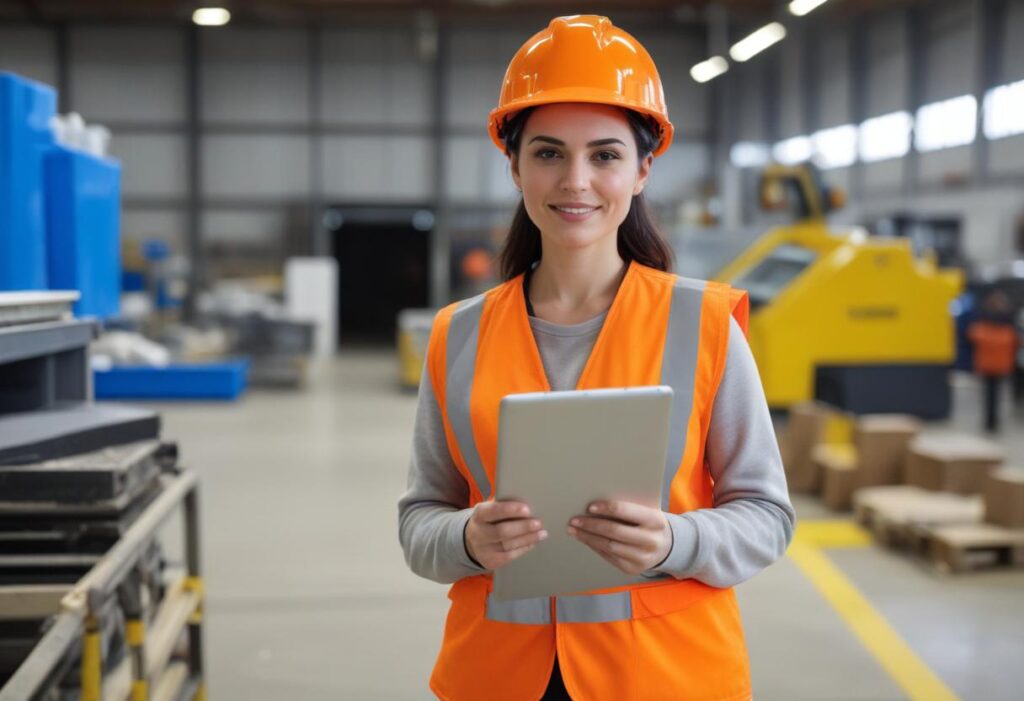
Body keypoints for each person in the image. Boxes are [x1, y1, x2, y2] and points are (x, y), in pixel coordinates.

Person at [398, 16, 795, 700]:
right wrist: (467, 537)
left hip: (662, 677)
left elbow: (766, 513)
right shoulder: (456, 335)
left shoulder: (703, 325)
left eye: (605, 155)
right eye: (548, 153)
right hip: (496, 677)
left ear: (643, 169)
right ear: (514, 164)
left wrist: (676, 541)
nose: (575, 180)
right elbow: (419, 520)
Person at [967, 290, 1018, 432]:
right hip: (993, 363)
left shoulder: (986, 319)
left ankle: (991, 421)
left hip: (994, 362)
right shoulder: (1005, 321)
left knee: (992, 394)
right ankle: (991, 421)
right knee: (991, 393)